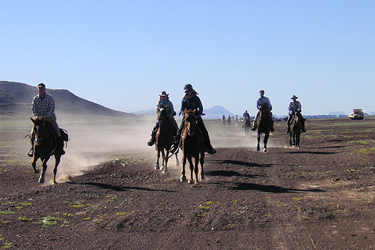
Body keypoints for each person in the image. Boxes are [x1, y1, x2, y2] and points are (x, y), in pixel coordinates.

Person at [170, 84, 216, 154]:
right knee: (179, 131)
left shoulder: (196, 98)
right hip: (187, 117)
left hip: (196, 117)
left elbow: (200, 107)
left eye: (188, 91)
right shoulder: (184, 99)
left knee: (204, 131)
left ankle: (208, 147)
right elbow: (182, 109)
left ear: (191, 90)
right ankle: (175, 146)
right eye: (185, 91)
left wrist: (198, 114)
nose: (186, 92)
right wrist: (184, 115)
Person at [27, 83, 65, 157]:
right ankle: (33, 149)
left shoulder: (50, 98)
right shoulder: (35, 99)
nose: (40, 90)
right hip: (39, 120)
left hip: (50, 119)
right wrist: (37, 116)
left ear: (45, 89)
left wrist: (46, 115)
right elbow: (33, 108)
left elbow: (52, 108)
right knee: (32, 133)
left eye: (42, 88)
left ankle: (60, 149)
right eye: (39, 88)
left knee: (58, 132)